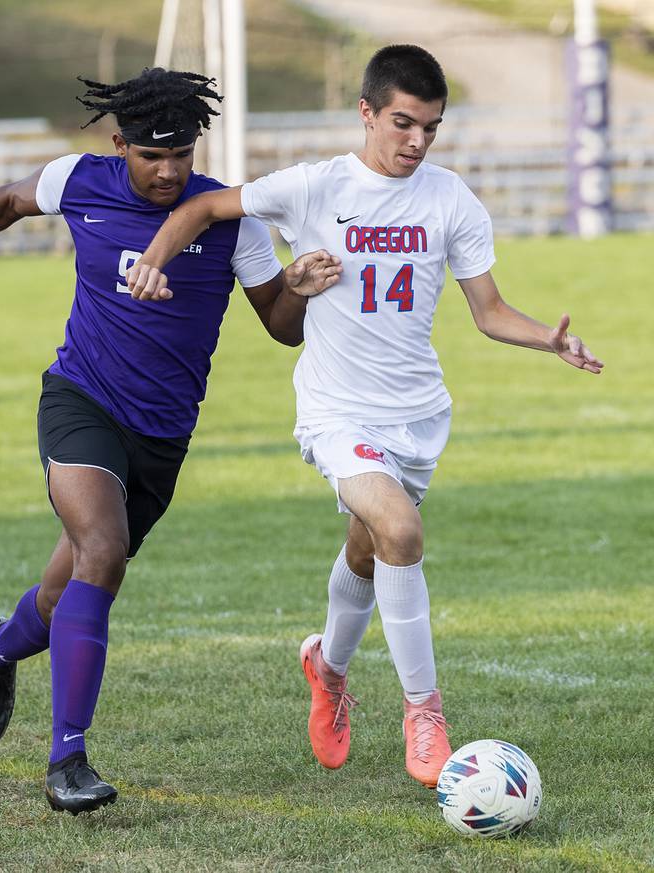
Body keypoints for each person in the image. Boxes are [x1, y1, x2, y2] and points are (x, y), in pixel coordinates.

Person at [126, 45, 604, 788]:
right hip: (335, 407)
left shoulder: (451, 201)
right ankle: (425, 710)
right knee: (402, 531)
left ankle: (328, 666)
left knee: (367, 548)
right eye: (404, 124)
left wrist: (549, 338)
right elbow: (201, 206)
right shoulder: (315, 187)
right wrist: (155, 257)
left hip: (417, 416)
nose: (416, 142)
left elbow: (489, 310)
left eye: (432, 129)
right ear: (368, 113)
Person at [0, 67, 342, 814]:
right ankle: (68, 760)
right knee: (102, 549)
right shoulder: (78, 181)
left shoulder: (231, 219)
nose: (168, 171)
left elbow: (279, 327)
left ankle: (0, 649)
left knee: (63, 594)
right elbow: (2, 202)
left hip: (162, 434)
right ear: (119, 144)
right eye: (152, 155)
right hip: (81, 400)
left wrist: (296, 287)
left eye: (181, 155)